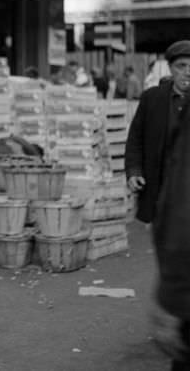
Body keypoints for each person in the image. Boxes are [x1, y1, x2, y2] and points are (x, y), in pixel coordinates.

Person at [125, 40, 190, 370]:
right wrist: (134, 171)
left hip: (181, 199)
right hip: (160, 191)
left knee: (177, 249)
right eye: (181, 66)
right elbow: (135, 138)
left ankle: (175, 309)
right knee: (164, 248)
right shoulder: (152, 99)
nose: (187, 72)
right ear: (170, 69)